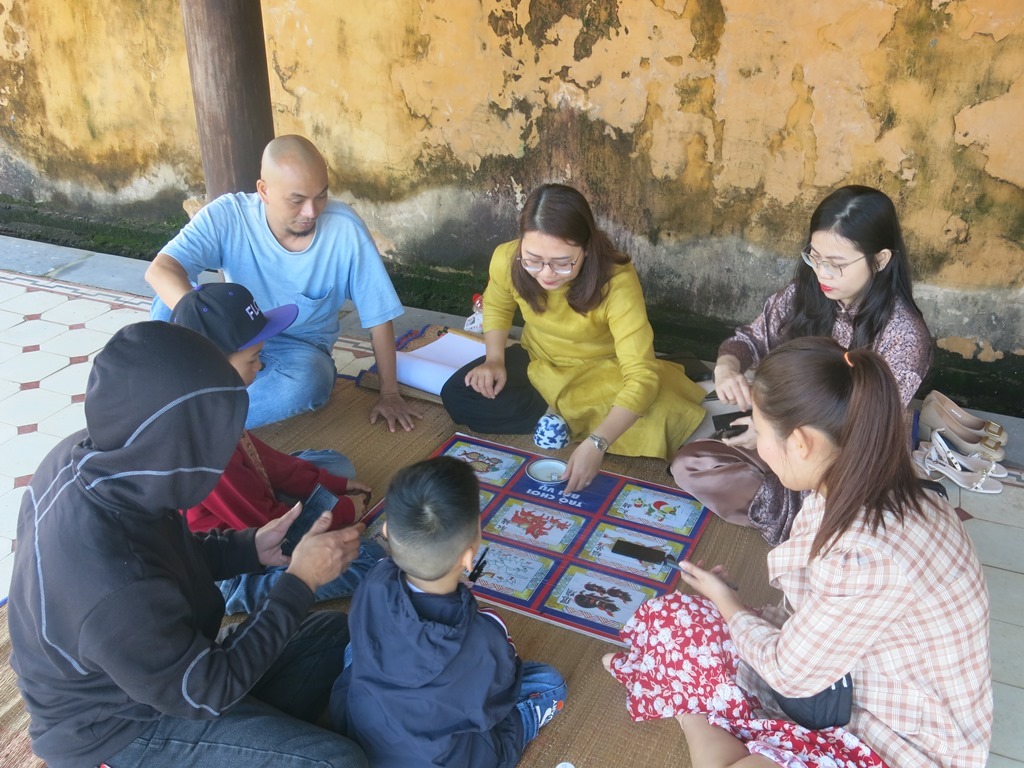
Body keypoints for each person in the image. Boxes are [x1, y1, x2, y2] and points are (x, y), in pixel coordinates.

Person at [604, 338, 992, 768]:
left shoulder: (867, 555)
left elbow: (792, 673)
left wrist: (727, 603)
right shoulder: (867, 479)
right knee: (671, 619)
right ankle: (694, 704)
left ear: (802, 442)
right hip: (840, 680)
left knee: (699, 641)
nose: (757, 444)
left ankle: (690, 707)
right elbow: (808, 619)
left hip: (894, 736)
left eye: (758, 428)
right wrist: (726, 604)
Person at [7, 322, 368, 768]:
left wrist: (249, 547)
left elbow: (160, 555)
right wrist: (299, 582)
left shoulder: (98, 460)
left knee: (335, 633)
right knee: (336, 761)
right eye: (213, 443)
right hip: (122, 728)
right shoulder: (115, 589)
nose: (221, 458)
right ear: (178, 449)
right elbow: (207, 691)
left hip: (165, 665)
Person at [670, 185, 932, 545]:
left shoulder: (903, 336)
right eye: (815, 256)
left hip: (846, 467)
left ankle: (811, 528)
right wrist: (728, 367)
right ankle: (797, 522)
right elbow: (750, 339)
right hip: (783, 444)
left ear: (881, 259)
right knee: (690, 464)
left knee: (841, 520)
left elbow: (861, 427)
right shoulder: (806, 293)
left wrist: (772, 435)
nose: (822, 273)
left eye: (837, 264)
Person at [145, 134, 422, 432]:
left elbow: (379, 317)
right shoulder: (228, 214)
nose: (312, 212)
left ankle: (200, 427)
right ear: (263, 191)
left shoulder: (345, 229)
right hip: (235, 337)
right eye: (297, 200)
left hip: (296, 352)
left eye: (320, 195)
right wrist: (217, 334)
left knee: (310, 380)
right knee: (169, 303)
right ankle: (182, 406)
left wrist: (389, 393)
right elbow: (160, 270)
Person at [441, 183, 706, 492]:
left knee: (664, 411)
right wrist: (495, 360)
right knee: (459, 396)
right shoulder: (506, 258)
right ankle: (567, 416)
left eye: (563, 262)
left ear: (587, 248)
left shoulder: (616, 279)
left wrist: (598, 442)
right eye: (533, 260)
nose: (546, 274)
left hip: (603, 372)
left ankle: (566, 419)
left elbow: (641, 375)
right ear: (521, 243)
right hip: (539, 363)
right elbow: (498, 305)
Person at [329, 457, 567, 768]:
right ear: (469, 557)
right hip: (441, 759)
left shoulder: (373, 581)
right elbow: (494, 701)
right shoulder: (485, 634)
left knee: (356, 648)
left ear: (386, 531)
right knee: (549, 682)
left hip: (363, 725)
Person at [171, 282, 385, 614]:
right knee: (368, 559)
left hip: (246, 509)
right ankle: (241, 593)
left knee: (336, 466)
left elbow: (264, 460)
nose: (262, 366)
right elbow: (267, 525)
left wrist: (333, 486)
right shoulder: (205, 446)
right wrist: (343, 512)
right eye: (254, 358)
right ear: (215, 364)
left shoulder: (215, 400)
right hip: (223, 559)